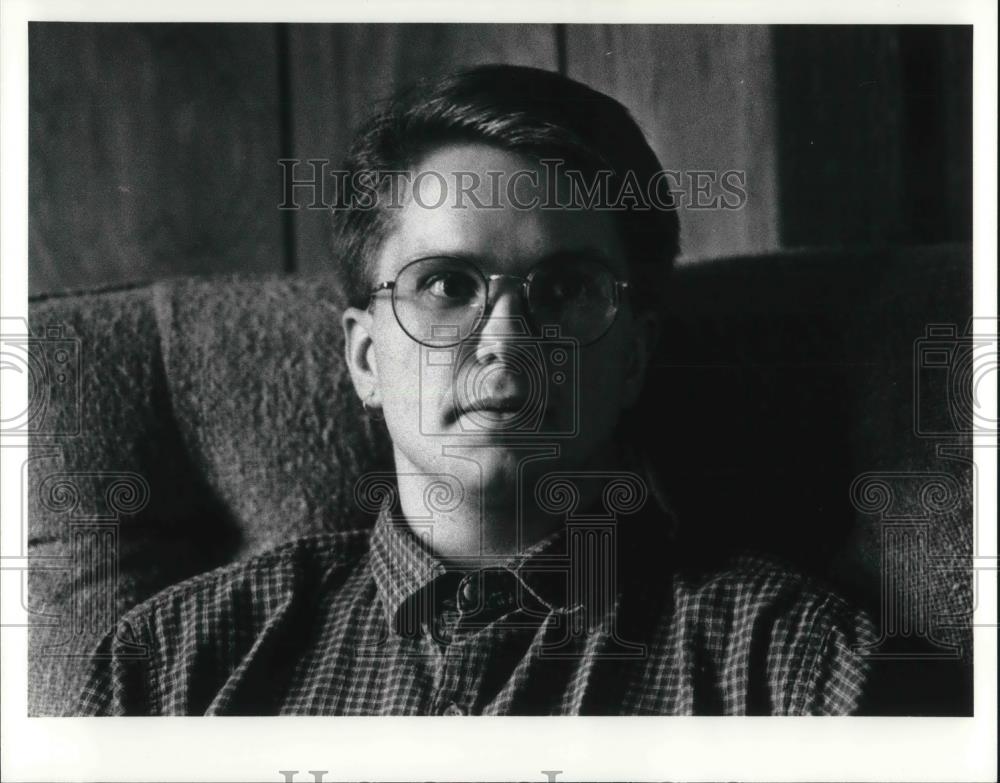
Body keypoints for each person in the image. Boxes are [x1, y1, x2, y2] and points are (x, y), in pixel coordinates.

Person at [74, 64, 876, 716]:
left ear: (633, 354)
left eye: (564, 290)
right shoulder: (174, 665)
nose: (506, 341)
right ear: (364, 357)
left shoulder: (794, 669)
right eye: (447, 284)